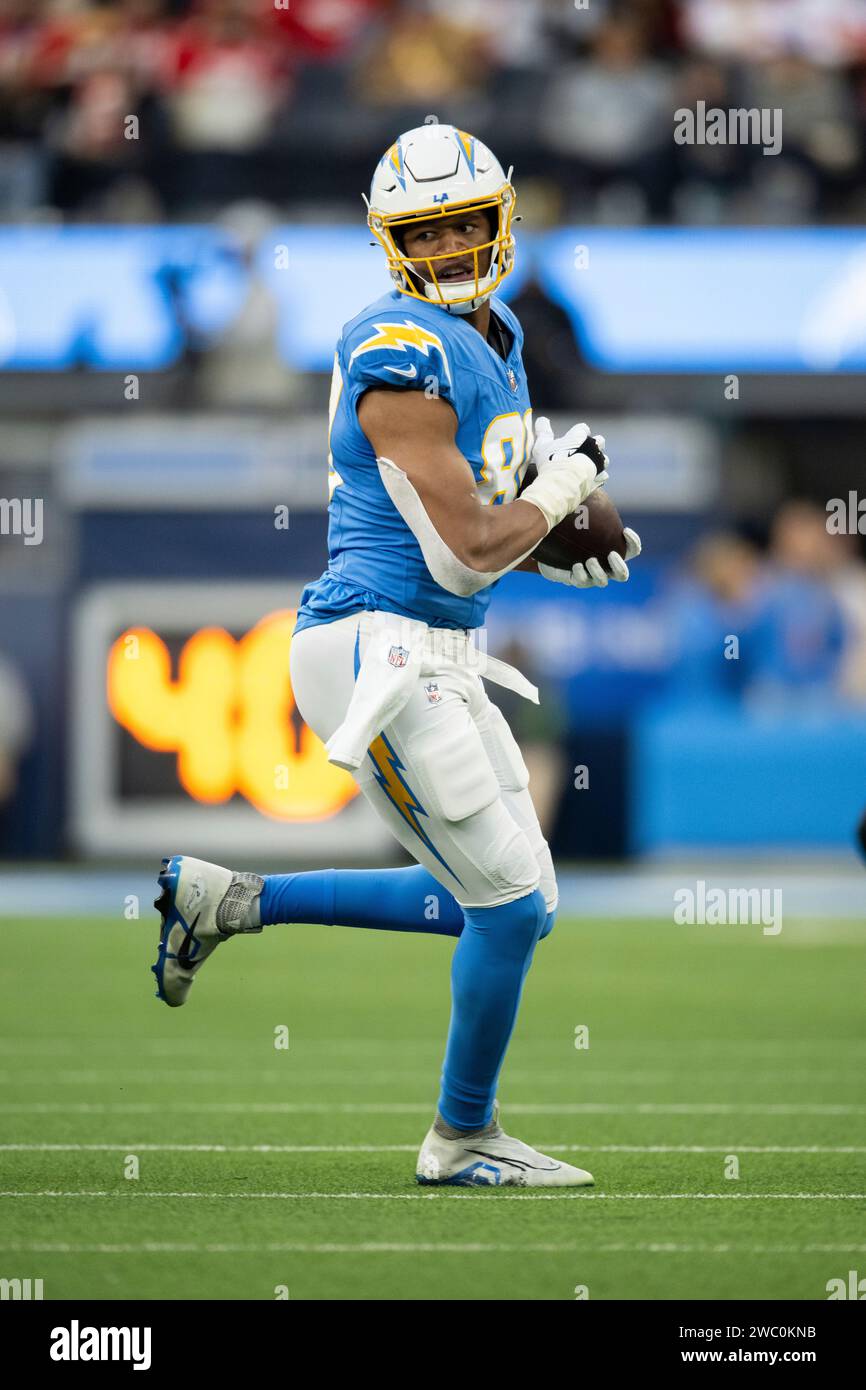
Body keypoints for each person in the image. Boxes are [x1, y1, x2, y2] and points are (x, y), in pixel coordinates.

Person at [152, 122, 641, 1188]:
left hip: (437, 650)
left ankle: (230, 902)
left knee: (519, 902)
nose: (457, 245)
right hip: (374, 650)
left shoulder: (496, 333)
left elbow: (478, 529)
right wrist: (564, 487)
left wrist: (551, 544)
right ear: (390, 242)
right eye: (431, 229)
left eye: (469, 220)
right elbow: (466, 553)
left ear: (501, 218)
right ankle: (459, 1138)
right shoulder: (396, 350)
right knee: (508, 907)